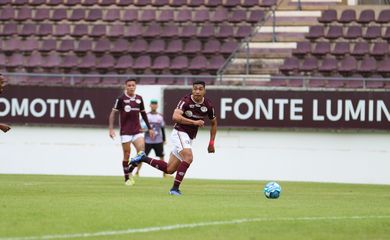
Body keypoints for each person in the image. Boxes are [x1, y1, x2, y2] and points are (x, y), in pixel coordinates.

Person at [130, 80, 217, 195]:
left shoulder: (208, 105)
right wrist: (194, 122)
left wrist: (211, 142)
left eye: (200, 89)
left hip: (189, 137)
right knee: (188, 157)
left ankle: (143, 158)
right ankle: (174, 189)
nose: (197, 91)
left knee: (169, 169)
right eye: (195, 88)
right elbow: (175, 117)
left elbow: (214, 123)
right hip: (179, 132)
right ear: (192, 90)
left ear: (204, 91)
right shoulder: (185, 101)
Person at [108, 78, 154, 186]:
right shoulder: (121, 99)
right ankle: (126, 178)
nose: (131, 87)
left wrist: (150, 128)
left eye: (133, 85)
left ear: (135, 86)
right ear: (126, 87)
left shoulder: (139, 99)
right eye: (129, 85)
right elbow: (112, 113)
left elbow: (143, 114)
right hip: (125, 132)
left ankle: (130, 170)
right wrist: (111, 128)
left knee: (142, 153)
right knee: (127, 154)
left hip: (137, 131)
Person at [137, 99, 167, 177]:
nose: (154, 106)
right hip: (148, 140)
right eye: (152, 104)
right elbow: (141, 127)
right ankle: (137, 172)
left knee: (162, 156)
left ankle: (165, 173)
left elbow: (162, 128)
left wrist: (164, 139)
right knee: (142, 156)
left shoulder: (160, 116)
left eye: (155, 104)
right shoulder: (146, 115)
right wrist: (146, 130)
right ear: (150, 105)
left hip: (158, 140)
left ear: (157, 106)